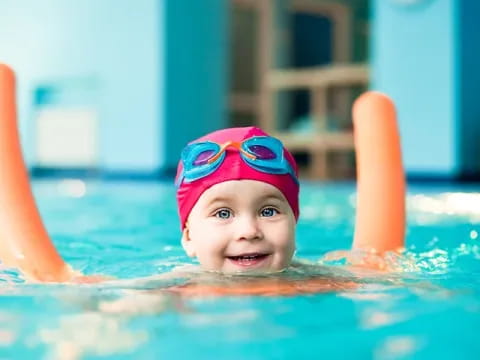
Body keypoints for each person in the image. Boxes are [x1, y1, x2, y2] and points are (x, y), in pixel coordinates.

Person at [0, 63, 405, 294]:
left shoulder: (319, 281)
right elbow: (107, 296)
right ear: (188, 239)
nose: (249, 230)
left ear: (295, 224)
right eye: (223, 213)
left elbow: (386, 284)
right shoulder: (180, 287)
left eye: (269, 210)